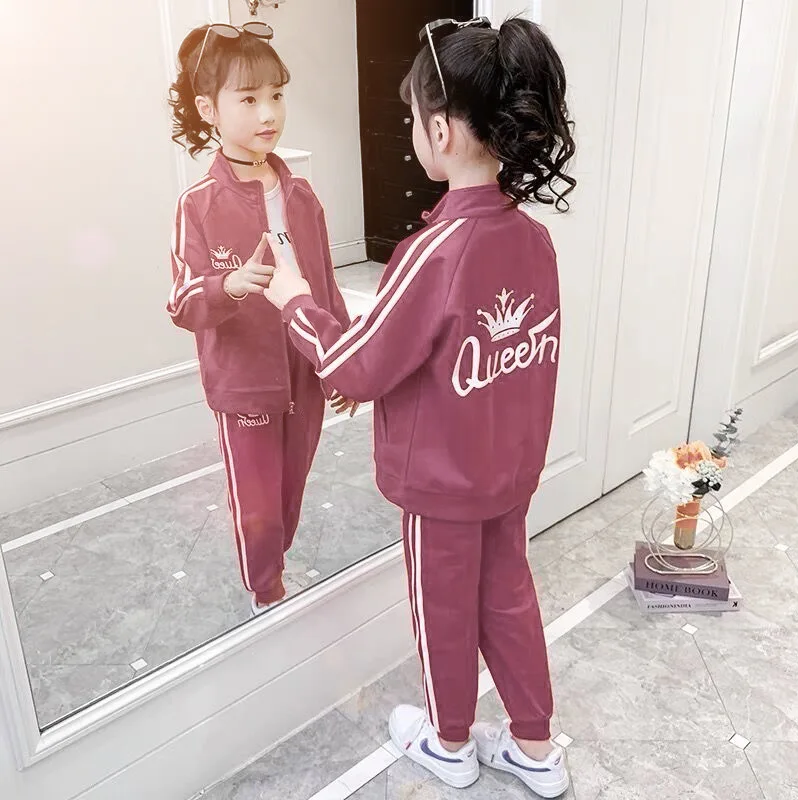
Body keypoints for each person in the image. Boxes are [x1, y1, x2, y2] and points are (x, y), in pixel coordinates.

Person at [264, 16, 575, 797]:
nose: (412, 132)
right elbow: (449, 350)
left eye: (411, 118)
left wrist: (296, 300)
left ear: (440, 129)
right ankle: (536, 749)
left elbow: (358, 366)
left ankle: (448, 742)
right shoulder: (532, 241)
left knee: (443, 611)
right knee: (509, 598)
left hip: (441, 486)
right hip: (509, 472)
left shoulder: (431, 251)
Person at [166, 22, 355, 617]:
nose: (268, 112)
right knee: (259, 508)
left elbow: (325, 285)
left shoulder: (304, 198)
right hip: (244, 383)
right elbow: (182, 302)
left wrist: (339, 361)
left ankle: (275, 570)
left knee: (290, 494)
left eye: (276, 94)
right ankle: (265, 594)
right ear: (209, 109)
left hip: (305, 376)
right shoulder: (197, 206)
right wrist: (227, 286)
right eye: (248, 99)